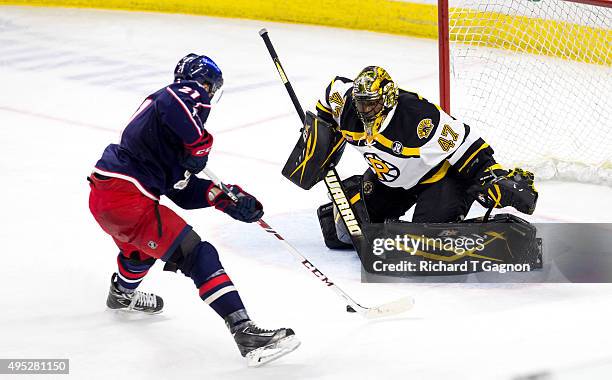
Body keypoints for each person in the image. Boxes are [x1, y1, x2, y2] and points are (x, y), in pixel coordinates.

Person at [87, 53, 299, 366]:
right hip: (128, 195)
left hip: (108, 196)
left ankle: (121, 292)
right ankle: (245, 332)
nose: (209, 96)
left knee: (142, 250)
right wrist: (200, 143)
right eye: (210, 89)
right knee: (196, 253)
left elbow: (183, 191)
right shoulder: (182, 95)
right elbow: (175, 99)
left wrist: (225, 199)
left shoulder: (165, 133)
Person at [314, 66, 538, 248]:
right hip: (392, 180)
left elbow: (467, 147)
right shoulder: (347, 106)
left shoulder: (419, 118)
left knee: (427, 247)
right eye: (361, 103)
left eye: (372, 103)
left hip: (438, 180)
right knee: (342, 230)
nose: (365, 110)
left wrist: (494, 176)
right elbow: (331, 92)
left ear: (389, 98)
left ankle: (500, 233)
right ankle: (359, 192)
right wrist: (320, 131)